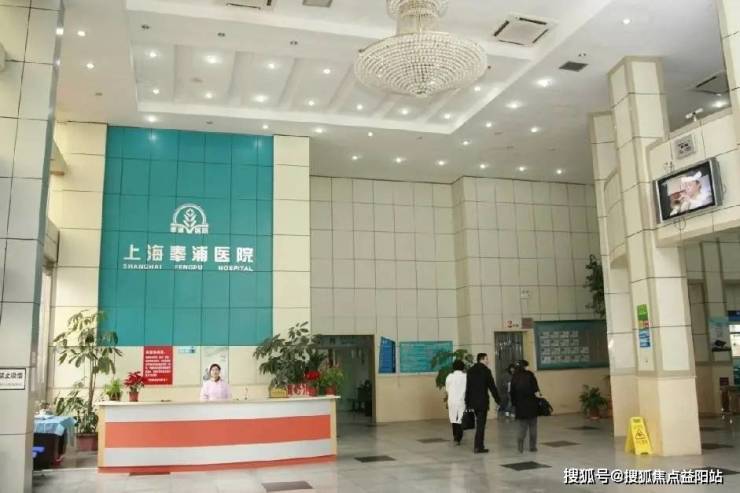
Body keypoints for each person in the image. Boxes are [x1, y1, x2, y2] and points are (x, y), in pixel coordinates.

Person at [465, 353, 501, 453]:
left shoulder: (470, 371)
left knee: (479, 424)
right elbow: (492, 387)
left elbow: (468, 388)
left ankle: (478, 445)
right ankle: (478, 446)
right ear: (482, 359)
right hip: (482, 402)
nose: (488, 361)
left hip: (472, 402)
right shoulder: (486, 371)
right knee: (481, 425)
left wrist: (467, 402)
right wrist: (498, 400)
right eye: (486, 359)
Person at [509, 359, 541, 453]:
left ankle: (520, 447)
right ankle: (532, 447)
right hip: (532, 404)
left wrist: (514, 404)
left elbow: (512, 392)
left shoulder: (514, 377)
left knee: (522, 427)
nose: (528, 367)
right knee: (533, 426)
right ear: (525, 366)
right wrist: (540, 398)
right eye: (527, 366)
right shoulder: (530, 375)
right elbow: (536, 389)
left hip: (520, 406)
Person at [445, 359, 467, 445]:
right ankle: (459, 436)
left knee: (453, 417)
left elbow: (447, 389)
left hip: (452, 400)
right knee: (460, 418)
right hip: (461, 400)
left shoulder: (449, 376)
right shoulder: (465, 376)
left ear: (453, 367)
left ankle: (455, 435)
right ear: (463, 367)